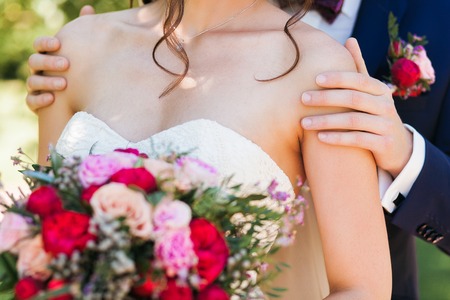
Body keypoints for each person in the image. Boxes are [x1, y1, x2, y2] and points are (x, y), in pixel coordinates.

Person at [26, 1, 449, 298]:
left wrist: (404, 152)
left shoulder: (322, 70)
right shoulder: (76, 48)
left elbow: (363, 289)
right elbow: (39, 243)